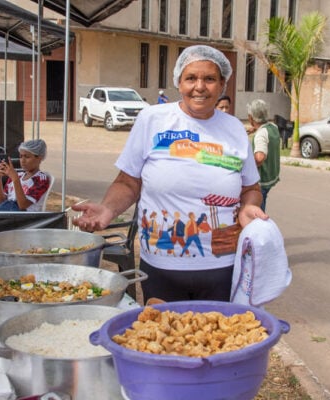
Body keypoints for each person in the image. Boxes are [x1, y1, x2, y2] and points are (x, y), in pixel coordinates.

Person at [72, 45, 268, 303]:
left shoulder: (234, 129)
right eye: (191, 78)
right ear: (179, 82)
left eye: (209, 79)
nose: (200, 86)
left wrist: (248, 207)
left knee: (218, 338)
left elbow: (251, 189)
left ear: (223, 84)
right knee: (164, 338)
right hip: (161, 265)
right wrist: (108, 209)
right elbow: (128, 182)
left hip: (221, 266)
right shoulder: (152, 119)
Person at [0, 139, 50, 211]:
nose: (22, 161)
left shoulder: (41, 179)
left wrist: (15, 179)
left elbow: (22, 206)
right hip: (5, 208)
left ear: (39, 158)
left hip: (18, 214)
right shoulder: (18, 175)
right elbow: (1, 201)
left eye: (27, 157)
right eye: (20, 156)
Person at [247, 99, 281, 212]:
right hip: (272, 176)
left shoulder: (261, 134)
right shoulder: (273, 127)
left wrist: (247, 167)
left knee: (258, 210)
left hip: (262, 180)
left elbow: (260, 158)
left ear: (251, 117)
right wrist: (254, 129)